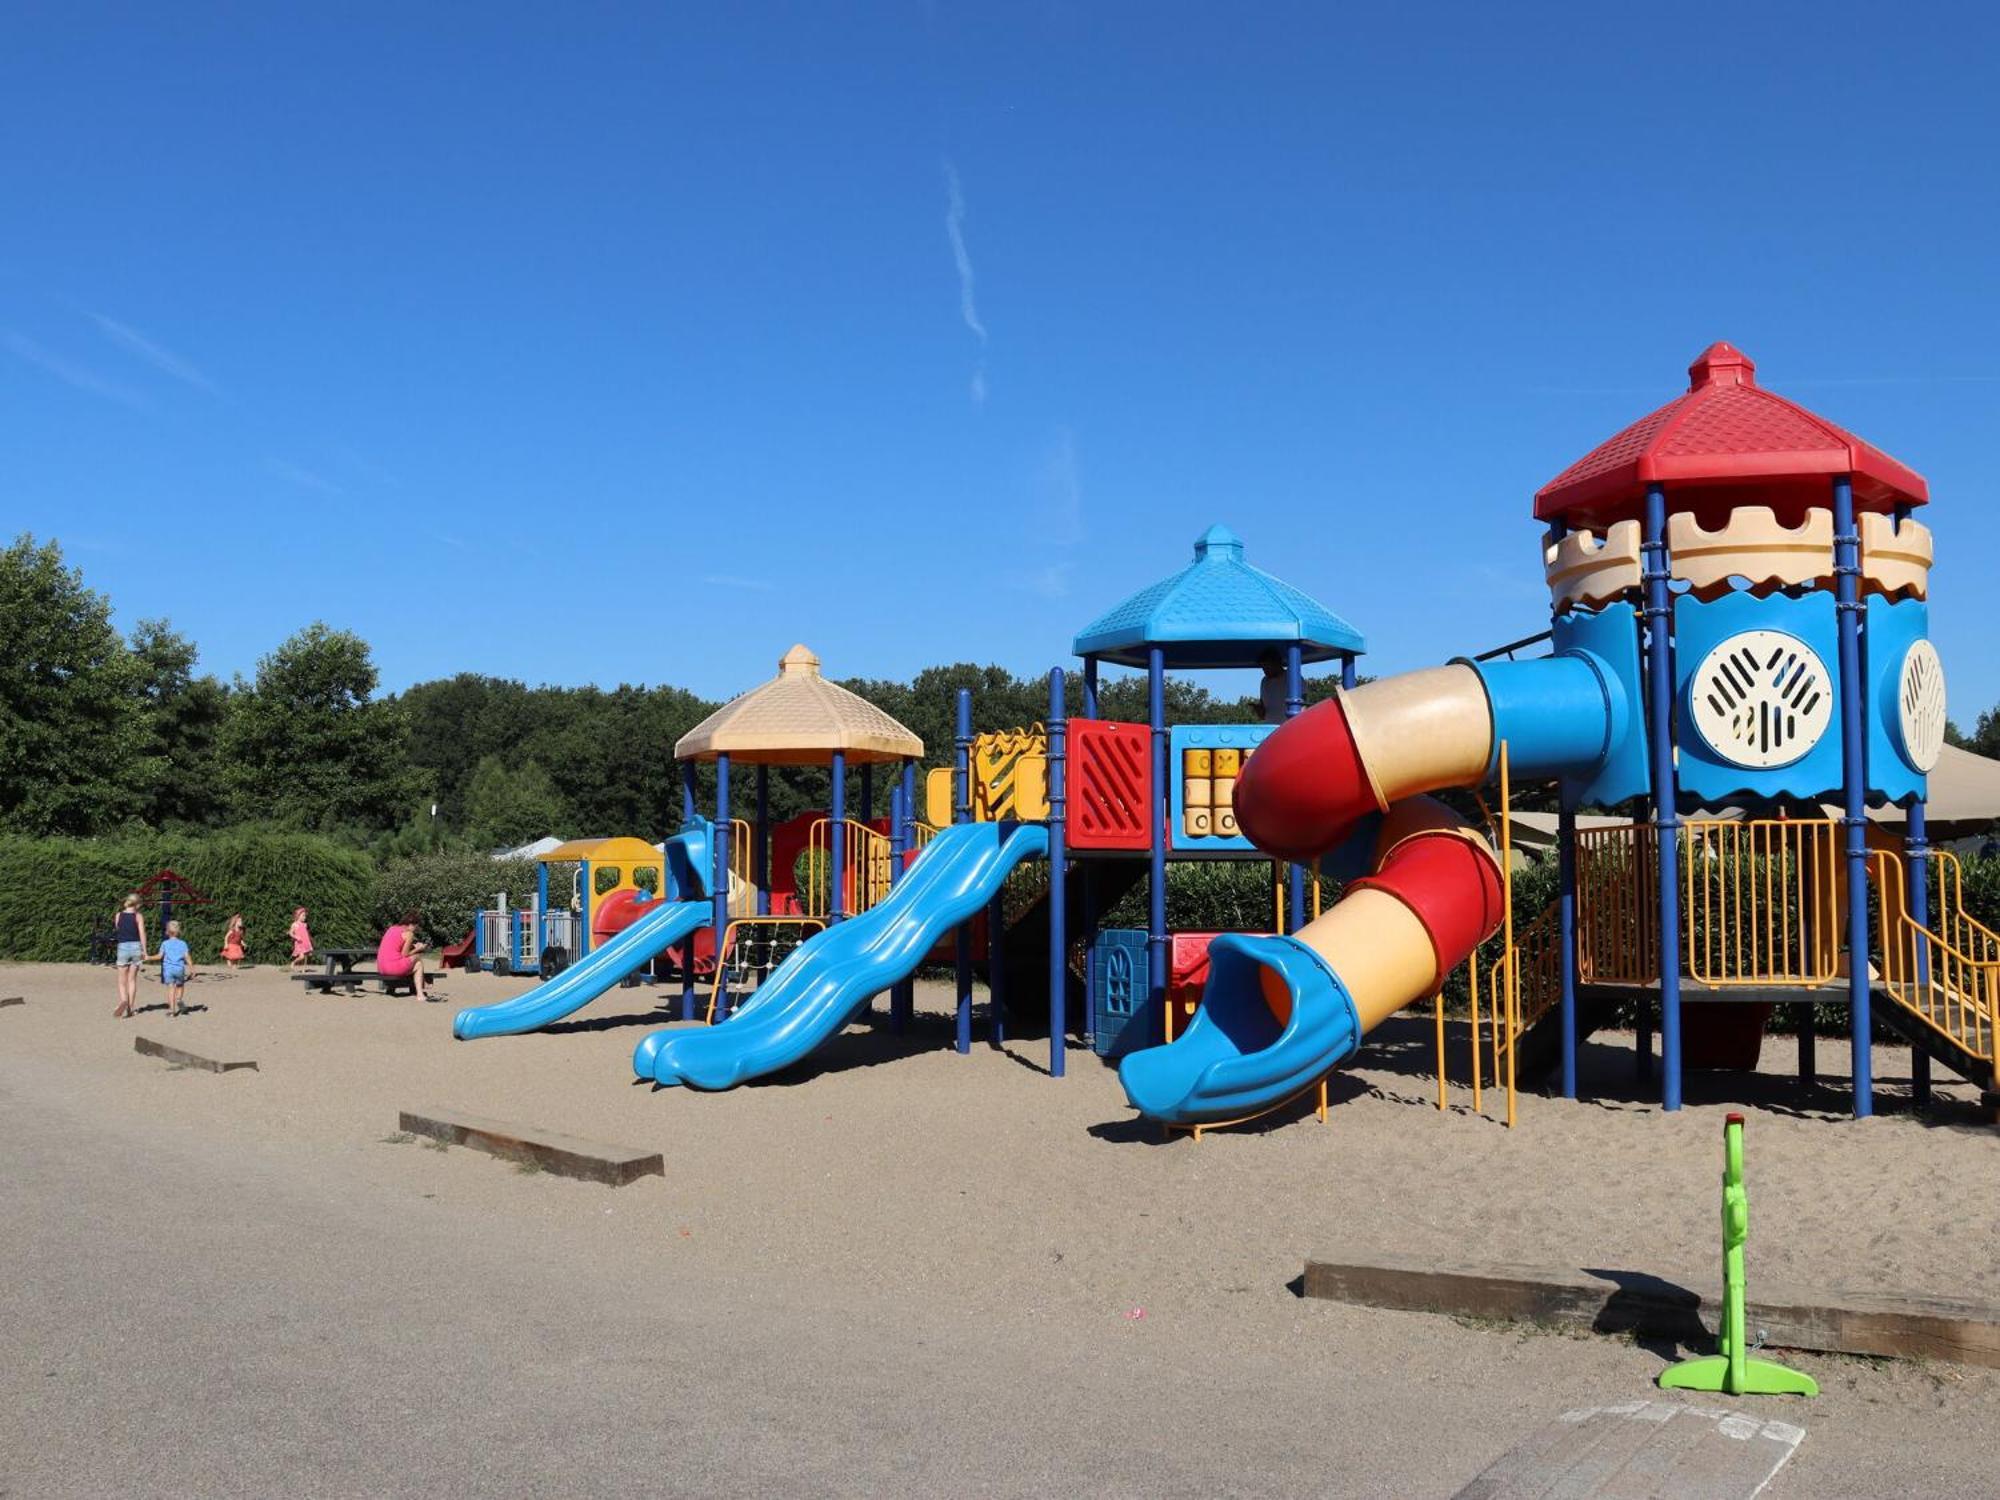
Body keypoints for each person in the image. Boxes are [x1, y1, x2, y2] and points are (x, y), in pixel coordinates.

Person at [376, 914, 431, 1001]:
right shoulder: (409, 933)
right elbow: (404, 954)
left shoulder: (392, 928)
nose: (417, 929)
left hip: (381, 968)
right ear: (412, 924)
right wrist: (418, 949)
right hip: (392, 968)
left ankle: (421, 986)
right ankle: (420, 993)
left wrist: (413, 946)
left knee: (417, 964)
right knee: (418, 959)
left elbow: (395, 946)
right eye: (417, 926)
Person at [111, 893, 147, 1019]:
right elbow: (142, 934)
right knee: (132, 980)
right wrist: (145, 951)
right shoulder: (138, 916)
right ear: (137, 905)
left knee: (122, 981)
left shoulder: (118, 915)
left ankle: (123, 1001)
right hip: (136, 947)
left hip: (123, 947)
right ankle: (130, 1007)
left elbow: (118, 929)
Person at [153, 920, 194, 1018]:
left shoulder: (165, 943)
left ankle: (172, 1011)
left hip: (168, 970)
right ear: (179, 931)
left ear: (167, 932)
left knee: (171, 989)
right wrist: (192, 969)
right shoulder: (183, 943)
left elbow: (159, 956)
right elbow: (187, 957)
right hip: (179, 969)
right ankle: (179, 999)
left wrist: (148, 957)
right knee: (180, 985)